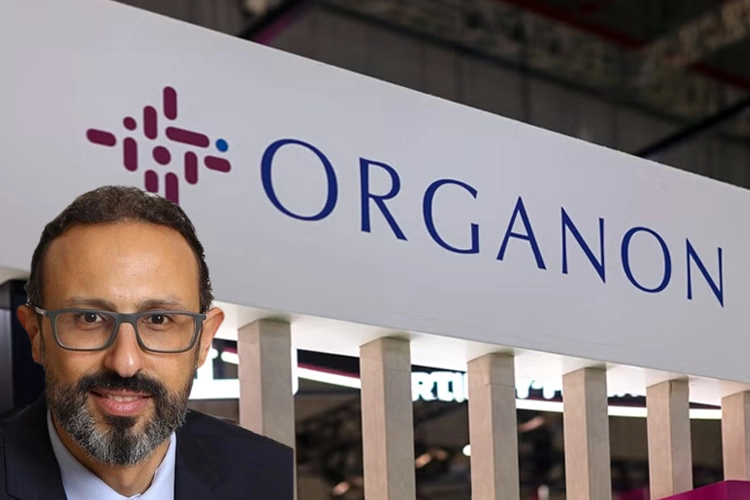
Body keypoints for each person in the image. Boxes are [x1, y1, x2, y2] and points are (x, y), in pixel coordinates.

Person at [0, 186, 293, 500]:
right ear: (36, 334)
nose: (125, 363)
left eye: (158, 319)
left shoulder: (275, 477)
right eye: (89, 318)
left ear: (204, 340)